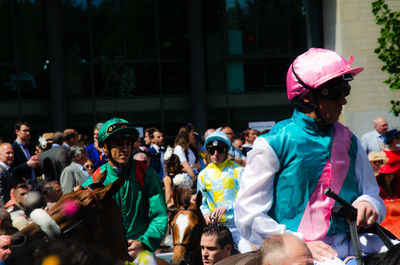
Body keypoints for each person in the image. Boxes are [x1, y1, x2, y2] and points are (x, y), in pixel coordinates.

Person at [235, 48, 387, 264]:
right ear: (307, 97)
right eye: (335, 92)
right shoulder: (272, 143)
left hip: (353, 242)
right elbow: (248, 216)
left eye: (346, 90)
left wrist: (367, 203)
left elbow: (372, 194)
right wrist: (298, 243)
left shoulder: (350, 140)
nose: (343, 101)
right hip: (298, 252)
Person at [82, 118, 168, 263]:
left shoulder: (146, 173)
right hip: (106, 251)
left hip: (141, 250)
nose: (125, 149)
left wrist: (143, 242)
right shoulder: (95, 179)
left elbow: (160, 216)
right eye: (118, 144)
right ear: (105, 148)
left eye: (128, 144)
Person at [197, 131, 252, 253]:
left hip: (236, 226)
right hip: (215, 228)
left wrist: (228, 207)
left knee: (247, 253)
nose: (216, 154)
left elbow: (247, 198)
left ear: (226, 151)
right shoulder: (202, 175)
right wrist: (205, 214)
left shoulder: (239, 171)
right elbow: (202, 203)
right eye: (212, 151)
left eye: (220, 150)